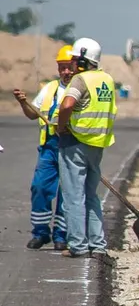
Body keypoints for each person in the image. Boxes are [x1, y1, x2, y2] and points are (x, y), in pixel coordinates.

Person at [56, 37, 116, 259]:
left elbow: (68, 104)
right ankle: (97, 245)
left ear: (82, 60)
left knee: (73, 196)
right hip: (97, 144)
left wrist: (62, 126)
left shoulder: (81, 80)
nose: (71, 64)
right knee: (91, 196)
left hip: (76, 142)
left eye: (74, 59)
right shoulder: (107, 80)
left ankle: (78, 245)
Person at [12, 44, 76, 250]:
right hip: (49, 148)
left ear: (77, 66)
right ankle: (40, 233)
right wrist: (24, 103)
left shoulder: (82, 89)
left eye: (69, 67)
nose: (65, 71)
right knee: (40, 187)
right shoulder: (50, 89)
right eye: (61, 67)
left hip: (72, 147)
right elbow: (33, 113)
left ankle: (61, 235)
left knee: (67, 192)